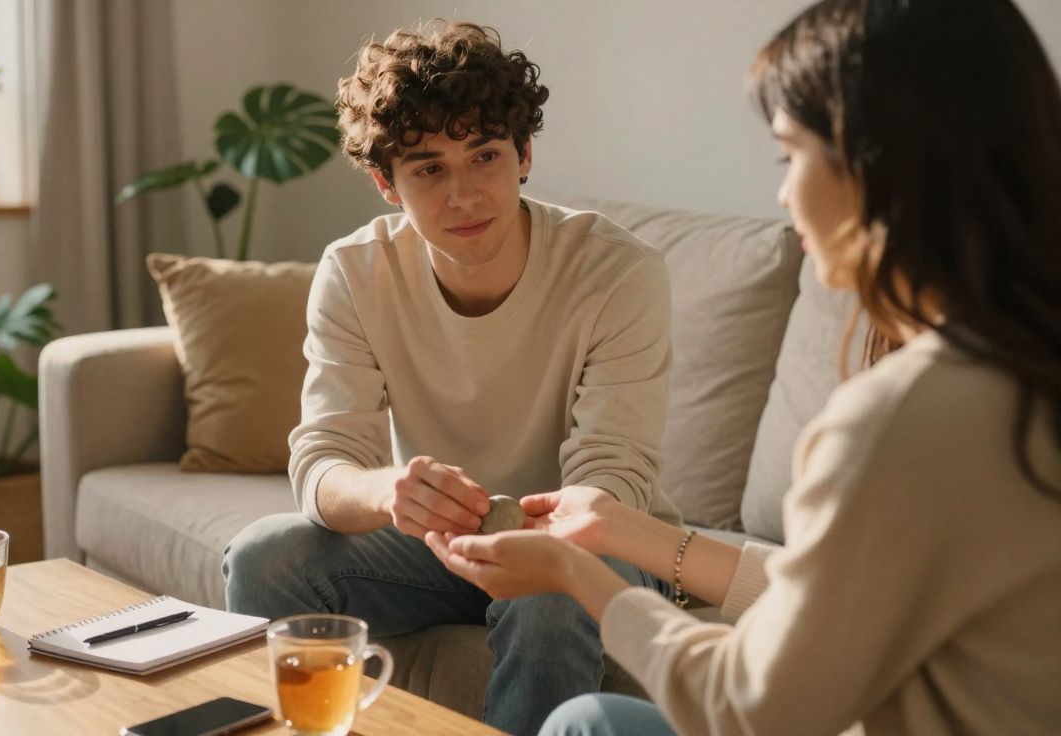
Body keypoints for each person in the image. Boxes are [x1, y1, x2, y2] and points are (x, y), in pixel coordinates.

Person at [427, 0, 1061, 734]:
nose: (784, 196)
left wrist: (579, 578)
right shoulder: (1020, 368)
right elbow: (836, 595)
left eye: (791, 156)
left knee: (587, 723)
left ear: (879, 163)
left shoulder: (900, 418)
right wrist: (627, 532)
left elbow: (750, 706)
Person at [222, 20, 684, 735]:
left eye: (485, 156)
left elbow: (614, 475)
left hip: (598, 543)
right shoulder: (355, 272)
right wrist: (390, 492)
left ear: (524, 155)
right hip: (439, 547)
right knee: (265, 558)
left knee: (550, 586)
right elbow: (321, 462)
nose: (464, 196)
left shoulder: (618, 272)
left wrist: (536, 537)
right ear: (386, 183)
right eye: (429, 169)